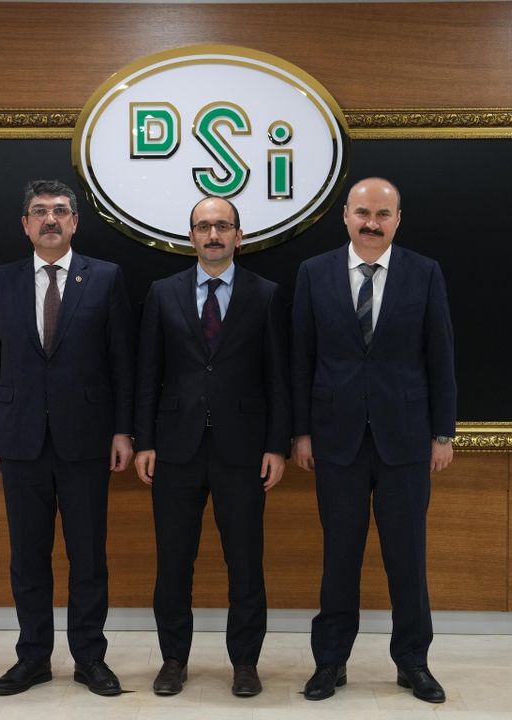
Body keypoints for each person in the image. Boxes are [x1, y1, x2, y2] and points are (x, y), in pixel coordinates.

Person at [290, 177, 457, 704]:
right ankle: (330, 662)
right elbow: (301, 358)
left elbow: (441, 356)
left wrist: (443, 432)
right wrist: (300, 432)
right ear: (345, 215)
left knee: (407, 557)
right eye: (362, 212)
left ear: (398, 220)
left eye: (383, 214)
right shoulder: (313, 272)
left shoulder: (424, 273)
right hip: (334, 439)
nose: (371, 223)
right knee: (339, 556)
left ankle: (413, 662)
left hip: (405, 440)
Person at [0, 179, 135, 697]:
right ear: (25, 224)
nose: (50, 219)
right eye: (39, 211)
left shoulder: (105, 277)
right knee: (27, 557)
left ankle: (90, 658)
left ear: (75, 222)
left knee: (88, 557)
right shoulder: (1, 280)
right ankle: (33, 658)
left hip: (87, 441)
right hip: (19, 441)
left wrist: (123, 430)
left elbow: (122, 363)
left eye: (60, 211)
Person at [133, 196, 290, 698]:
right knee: (173, 562)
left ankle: (245, 662)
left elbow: (278, 378)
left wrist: (277, 446)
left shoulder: (266, 294)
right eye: (203, 226)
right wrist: (144, 441)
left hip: (243, 451)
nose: (213, 234)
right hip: (174, 450)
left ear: (239, 236)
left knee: (245, 562)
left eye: (223, 226)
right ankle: (173, 660)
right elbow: (147, 374)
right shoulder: (162, 292)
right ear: (191, 236)